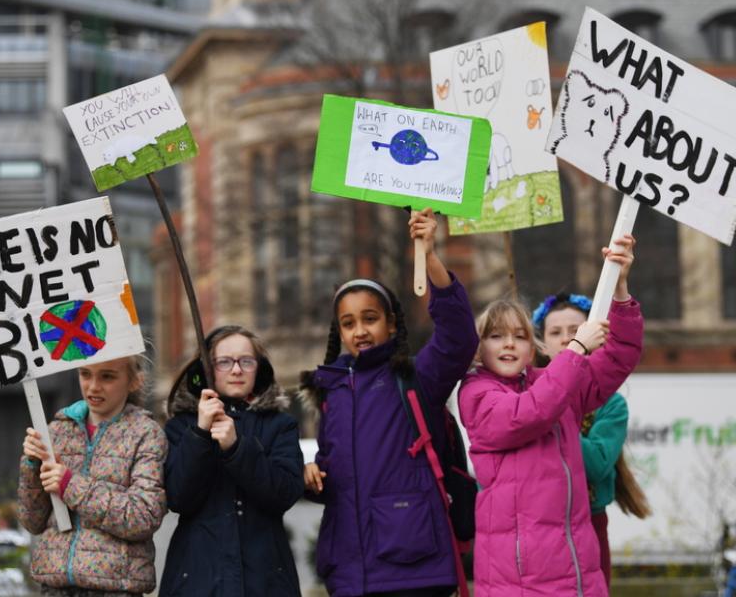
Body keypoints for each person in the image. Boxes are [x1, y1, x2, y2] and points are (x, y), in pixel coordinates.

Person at [301, 208, 478, 597]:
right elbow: (340, 476)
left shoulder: (416, 376)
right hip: (349, 571)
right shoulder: (331, 392)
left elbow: (459, 338)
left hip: (413, 565)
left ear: (392, 324)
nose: (360, 331)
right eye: (348, 323)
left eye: (370, 319)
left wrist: (430, 258)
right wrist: (313, 474)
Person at [458, 234, 643, 596]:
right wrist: (576, 348)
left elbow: (619, 357)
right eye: (496, 336)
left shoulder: (553, 380)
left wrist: (620, 290)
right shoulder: (477, 393)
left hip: (579, 577)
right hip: (520, 585)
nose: (509, 343)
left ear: (532, 348)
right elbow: (529, 414)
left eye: (519, 336)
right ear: (479, 349)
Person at [160, 325, 304, 597]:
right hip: (197, 581)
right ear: (206, 369)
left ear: (258, 369)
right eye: (224, 362)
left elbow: (284, 493)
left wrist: (238, 448)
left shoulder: (280, 425)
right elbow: (178, 497)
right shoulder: (181, 427)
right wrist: (200, 434)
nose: (236, 370)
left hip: (265, 580)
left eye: (246, 361)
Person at [17, 355, 168, 596]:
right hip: (54, 587)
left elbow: (143, 517)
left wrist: (70, 484)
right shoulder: (57, 429)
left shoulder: (146, 434)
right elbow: (32, 522)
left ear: (134, 381)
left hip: (114, 588)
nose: (93, 386)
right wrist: (32, 466)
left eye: (107, 376)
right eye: (85, 374)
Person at [533, 289, 651, 588]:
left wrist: (552, 417)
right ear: (542, 344)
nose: (565, 338)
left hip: (589, 522)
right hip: (537, 524)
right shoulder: (529, 393)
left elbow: (598, 463)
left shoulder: (610, 403)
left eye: (576, 331)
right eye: (555, 332)